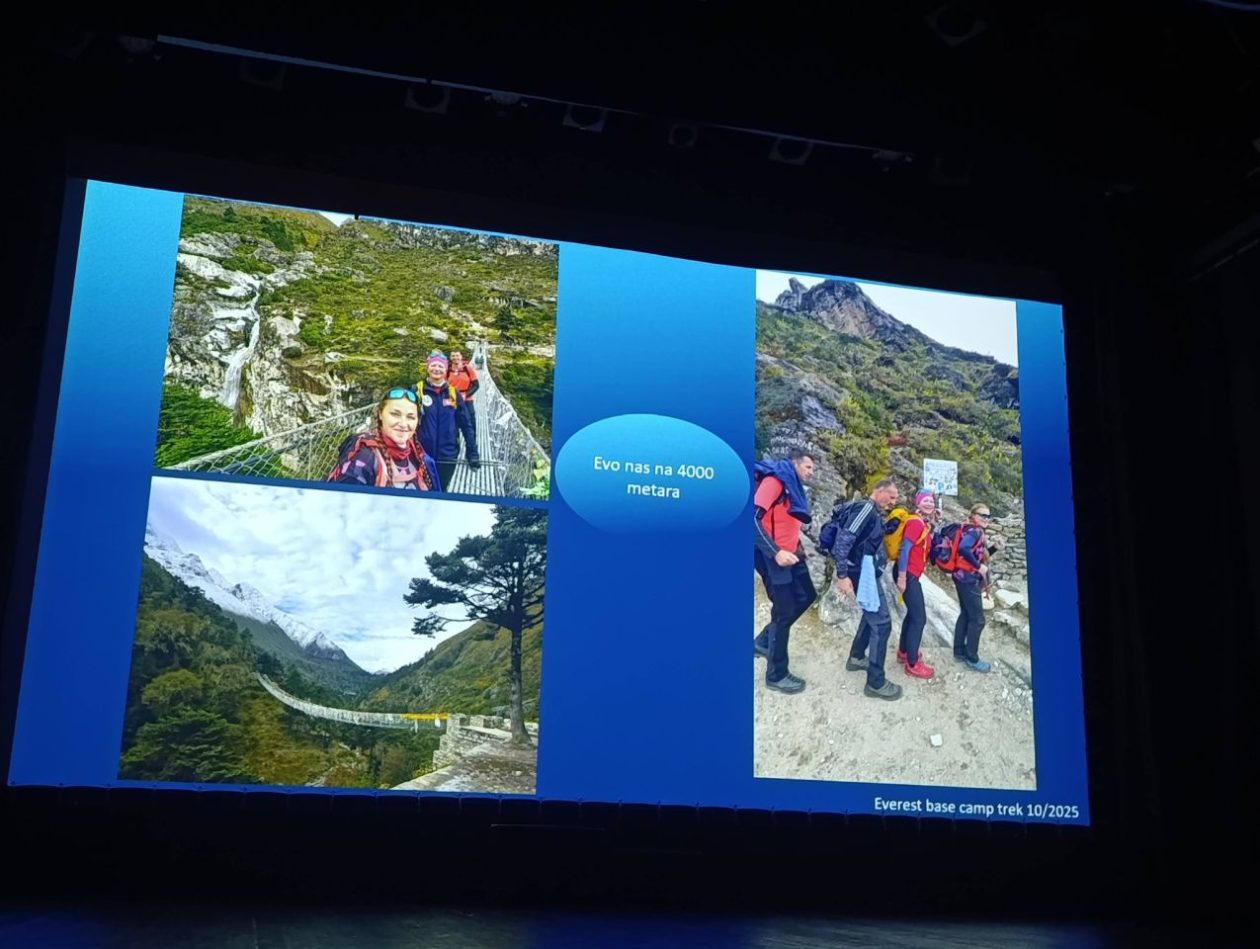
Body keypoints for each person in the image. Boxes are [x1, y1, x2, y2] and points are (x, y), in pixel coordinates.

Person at [831, 477, 902, 700]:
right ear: (878, 491)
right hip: (861, 574)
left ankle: (856, 657)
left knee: (871, 617)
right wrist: (842, 576)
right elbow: (844, 541)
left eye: (895, 498)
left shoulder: (872, 513)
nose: (893, 501)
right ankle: (875, 683)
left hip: (866, 573)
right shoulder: (865, 509)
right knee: (882, 624)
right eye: (891, 497)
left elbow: (866, 538)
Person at [752, 449, 816, 694]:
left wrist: (797, 548)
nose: (811, 472)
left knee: (808, 595)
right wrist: (776, 551)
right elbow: (753, 519)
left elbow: (785, 521)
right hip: (771, 556)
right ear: (795, 464)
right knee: (785, 610)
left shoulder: (793, 488)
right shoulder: (775, 482)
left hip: (791, 553)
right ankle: (776, 674)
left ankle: (765, 640)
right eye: (808, 467)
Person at [329, 387, 440, 491]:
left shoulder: (417, 454)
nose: (403, 424)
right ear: (380, 414)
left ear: (418, 420)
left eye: (410, 417)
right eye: (395, 414)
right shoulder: (363, 457)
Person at [952, 503, 1005, 672]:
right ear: (973, 515)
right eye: (983, 515)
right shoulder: (974, 531)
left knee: (966, 614)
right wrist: (978, 567)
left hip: (960, 576)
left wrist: (994, 548)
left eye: (988, 516)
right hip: (967, 579)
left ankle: (959, 651)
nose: (986, 519)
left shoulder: (971, 530)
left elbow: (976, 553)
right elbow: (963, 549)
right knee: (978, 619)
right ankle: (972, 657)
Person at [894, 489, 937, 679]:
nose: (930, 503)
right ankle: (912, 663)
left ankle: (904, 652)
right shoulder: (914, 522)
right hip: (908, 574)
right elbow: (904, 550)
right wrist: (902, 578)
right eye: (926, 501)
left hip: (911, 574)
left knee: (912, 614)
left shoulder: (922, 523)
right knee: (920, 619)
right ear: (917, 503)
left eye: (932, 501)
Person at [417, 351, 468, 491]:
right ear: (428, 367)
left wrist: (472, 452)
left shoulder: (453, 394)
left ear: (446, 369)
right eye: (433, 365)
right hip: (422, 453)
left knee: (442, 488)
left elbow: (466, 424)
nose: (437, 369)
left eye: (440, 366)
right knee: (423, 487)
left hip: (448, 455)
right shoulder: (417, 391)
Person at [448, 349, 481, 470]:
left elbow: (476, 385)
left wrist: (465, 395)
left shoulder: (468, 369)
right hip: (452, 402)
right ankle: (453, 454)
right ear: (450, 358)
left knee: (470, 429)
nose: (455, 357)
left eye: (457, 355)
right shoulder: (447, 370)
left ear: (461, 357)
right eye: (453, 355)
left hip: (467, 402)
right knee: (453, 429)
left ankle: (472, 456)